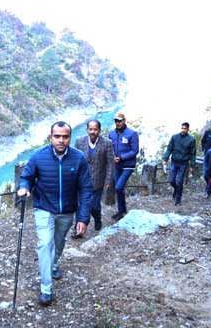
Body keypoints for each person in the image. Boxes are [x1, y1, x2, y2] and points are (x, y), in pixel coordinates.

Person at [17, 121, 93, 306]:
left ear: (70, 138)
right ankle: (46, 288)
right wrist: (24, 188)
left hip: (67, 211)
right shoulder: (38, 156)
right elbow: (26, 177)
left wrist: (83, 218)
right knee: (45, 245)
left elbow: (85, 189)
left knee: (58, 244)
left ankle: (55, 263)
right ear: (50, 137)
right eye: (57, 136)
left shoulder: (78, 158)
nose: (61, 140)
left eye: (65, 137)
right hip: (44, 208)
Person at [70, 119, 114, 238]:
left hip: (98, 181)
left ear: (99, 130)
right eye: (90, 129)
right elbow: (73, 160)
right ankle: (78, 230)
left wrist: (108, 181)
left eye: (95, 129)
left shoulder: (107, 143)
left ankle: (97, 218)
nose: (93, 131)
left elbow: (110, 163)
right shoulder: (79, 142)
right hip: (81, 181)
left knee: (94, 206)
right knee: (80, 205)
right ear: (87, 130)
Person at [107, 112, 139, 221]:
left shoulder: (132, 134)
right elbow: (109, 147)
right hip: (116, 165)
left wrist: (121, 157)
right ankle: (123, 209)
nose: (118, 123)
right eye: (116, 121)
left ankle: (120, 212)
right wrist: (112, 157)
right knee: (119, 189)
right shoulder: (111, 134)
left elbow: (135, 151)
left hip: (128, 165)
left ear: (124, 120)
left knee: (118, 187)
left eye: (119, 120)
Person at [162, 122, 197, 206]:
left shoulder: (191, 140)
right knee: (171, 180)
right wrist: (165, 158)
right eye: (182, 128)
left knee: (179, 181)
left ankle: (178, 199)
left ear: (188, 129)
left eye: (185, 128)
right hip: (174, 161)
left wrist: (192, 165)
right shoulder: (174, 137)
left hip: (183, 163)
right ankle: (176, 190)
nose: (183, 130)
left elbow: (193, 153)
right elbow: (169, 148)